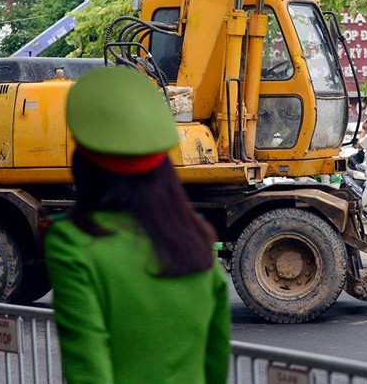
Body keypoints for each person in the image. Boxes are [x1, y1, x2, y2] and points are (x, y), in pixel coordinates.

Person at [44, 66, 230, 384]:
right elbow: (215, 362)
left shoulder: (72, 243)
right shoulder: (198, 239)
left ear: (84, 167)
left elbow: (88, 369)